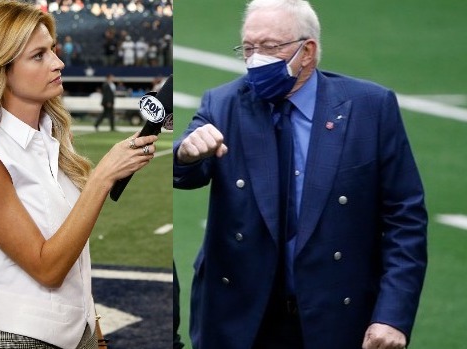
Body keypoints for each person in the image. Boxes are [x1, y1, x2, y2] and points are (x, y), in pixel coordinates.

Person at [173, 1, 428, 349]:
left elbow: (405, 219)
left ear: (307, 51)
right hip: (242, 323)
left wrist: (392, 316)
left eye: (268, 47)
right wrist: (185, 153)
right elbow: (187, 172)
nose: (255, 59)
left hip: (337, 319)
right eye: (247, 48)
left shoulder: (371, 108)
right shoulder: (223, 103)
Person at [0, 2, 158, 348]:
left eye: (53, 50)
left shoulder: (49, 139)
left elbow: (75, 256)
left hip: (75, 333)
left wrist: (93, 327)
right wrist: (103, 177)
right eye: (39, 55)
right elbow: (46, 267)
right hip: (16, 339)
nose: (58, 63)